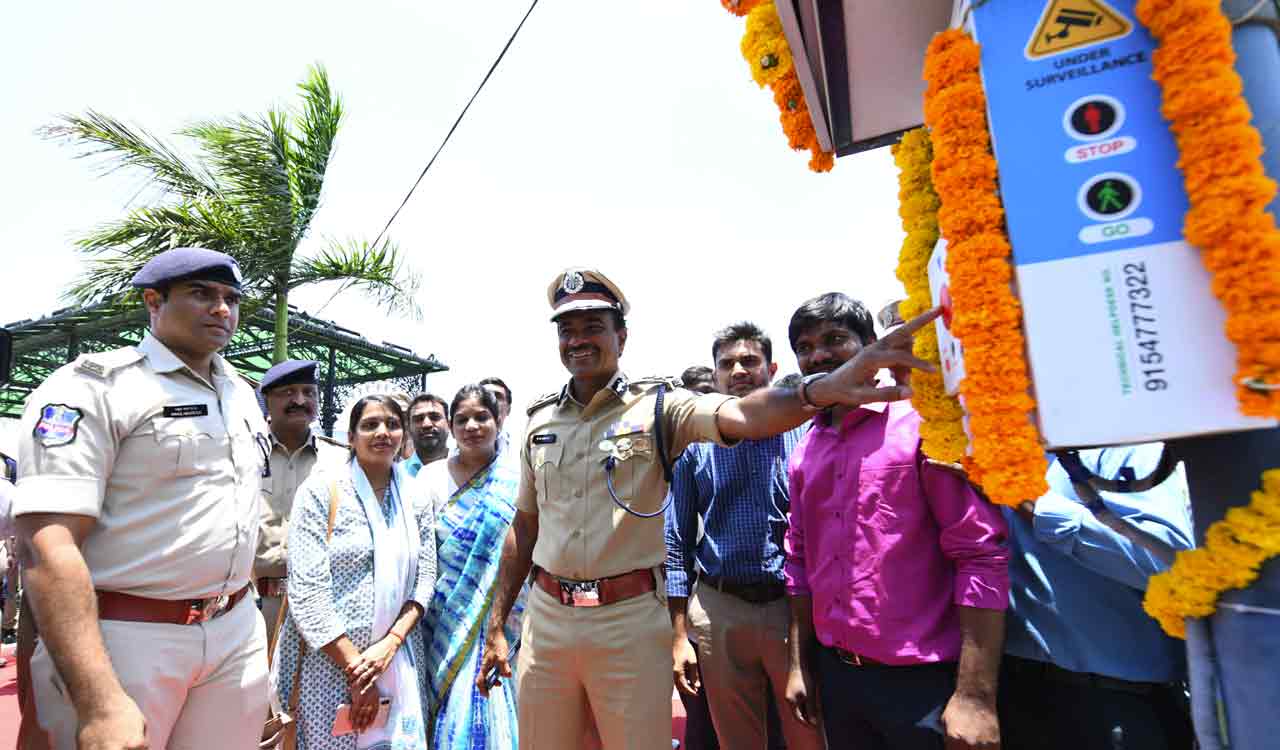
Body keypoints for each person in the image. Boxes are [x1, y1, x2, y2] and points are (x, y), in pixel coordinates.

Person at [475, 268, 941, 750]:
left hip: (628, 620)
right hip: (548, 620)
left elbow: (743, 414)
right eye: (567, 330)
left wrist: (818, 389)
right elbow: (524, 528)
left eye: (593, 327)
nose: (578, 340)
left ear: (621, 336)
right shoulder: (539, 421)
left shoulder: (660, 407)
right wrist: (497, 627)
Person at [13, 247, 271, 749]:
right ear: (154, 301)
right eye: (202, 294)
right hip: (127, 634)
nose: (222, 309)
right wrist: (97, 699)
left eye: (230, 298)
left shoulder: (240, 391)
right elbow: (46, 545)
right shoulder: (96, 387)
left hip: (234, 631)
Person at [782, 292, 1009, 750]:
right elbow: (799, 562)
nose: (819, 354)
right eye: (804, 347)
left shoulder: (922, 428)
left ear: (872, 346)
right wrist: (799, 664)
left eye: (835, 339)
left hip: (922, 685)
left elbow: (980, 555)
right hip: (838, 679)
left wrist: (975, 696)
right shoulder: (808, 446)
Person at [666, 322, 821, 750]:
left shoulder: (805, 435)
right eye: (727, 364)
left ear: (770, 368)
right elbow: (676, 542)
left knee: (807, 735)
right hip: (720, 611)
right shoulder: (694, 446)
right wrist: (680, 636)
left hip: (790, 608)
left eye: (749, 361)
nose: (738, 371)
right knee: (737, 740)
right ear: (715, 375)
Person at [999, 444, 1195, 750]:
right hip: (1008, 698)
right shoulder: (981, 438)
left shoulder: (1124, 443)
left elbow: (1170, 565)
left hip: (1115, 705)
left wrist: (1034, 504)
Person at [271, 394, 437, 750]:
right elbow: (308, 591)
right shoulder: (320, 492)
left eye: (392, 424)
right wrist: (358, 672)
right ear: (351, 437)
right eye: (370, 425)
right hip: (328, 667)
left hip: (397, 662)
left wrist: (389, 647)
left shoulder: (417, 497)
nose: (382, 432)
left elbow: (425, 578)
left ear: (403, 434)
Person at [418, 384, 525, 748]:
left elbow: (527, 545)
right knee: (447, 704)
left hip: (501, 620)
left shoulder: (517, 478)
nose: (472, 426)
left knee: (491, 701)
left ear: (498, 420)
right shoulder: (430, 478)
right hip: (442, 619)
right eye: (462, 419)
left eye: (482, 417)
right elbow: (420, 553)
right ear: (450, 425)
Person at [255, 359, 348, 647]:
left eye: (309, 392)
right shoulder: (244, 454)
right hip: (251, 604)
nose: (300, 400)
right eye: (288, 392)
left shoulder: (341, 461)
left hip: (321, 605)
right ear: (267, 401)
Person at [405, 393, 450, 477]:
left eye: (435, 417)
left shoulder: (470, 469)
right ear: (408, 428)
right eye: (418, 419)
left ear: (449, 425)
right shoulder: (395, 475)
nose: (426, 424)